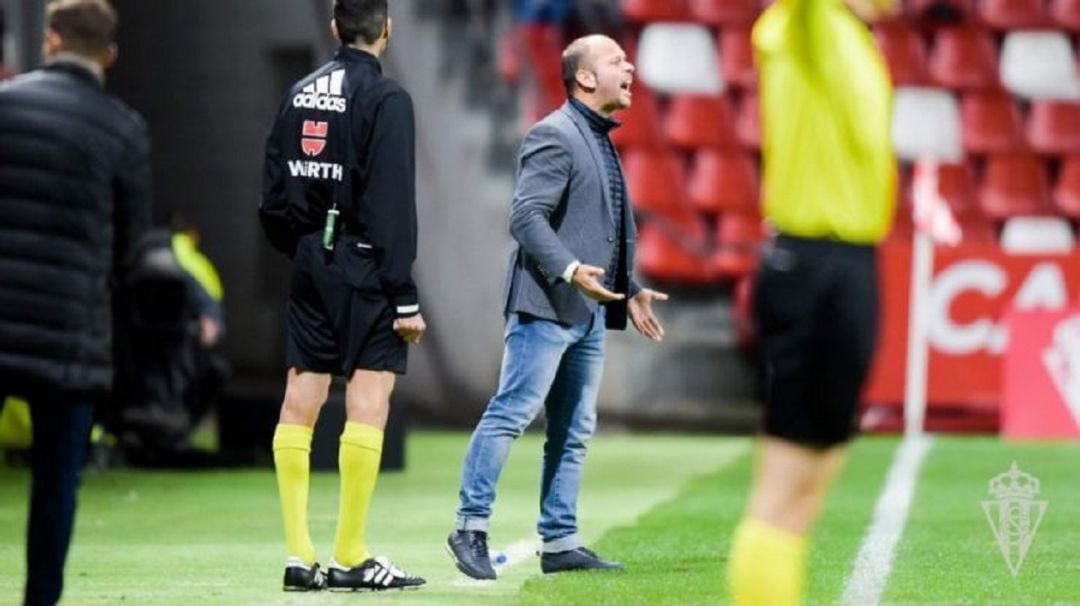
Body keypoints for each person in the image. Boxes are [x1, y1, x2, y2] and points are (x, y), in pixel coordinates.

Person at [446, 34, 669, 580]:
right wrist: (570, 271)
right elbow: (525, 218)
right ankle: (469, 527)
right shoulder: (554, 134)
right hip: (545, 305)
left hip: (585, 309)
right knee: (513, 411)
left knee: (573, 428)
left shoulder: (595, 136)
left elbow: (596, 227)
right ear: (585, 78)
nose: (630, 66)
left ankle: (561, 539)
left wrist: (629, 285)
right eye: (616, 60)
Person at [725, 0, 898, 604]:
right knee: (782, 495)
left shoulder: (854, 36)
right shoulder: (812, 22)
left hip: (849, 263)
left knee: (806, 496)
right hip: (814, 264)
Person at [259, 0, 426, 592]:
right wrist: (403, 294)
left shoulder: (301, 90)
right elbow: (390, 206)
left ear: (335, 28)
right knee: (369, 398)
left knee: (299, 398)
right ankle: (351, 554)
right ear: (387, 28)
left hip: (308, 260)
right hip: (364, 263)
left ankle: (299, 557)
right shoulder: (388, 101)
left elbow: (273, 191)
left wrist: (305, 248)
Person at [0, 1, 152, 604]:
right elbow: (133, 246)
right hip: (70, 331)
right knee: (56, 482)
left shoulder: (5, 107)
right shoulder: (124, 129)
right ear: (109, 55)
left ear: (51, 41)